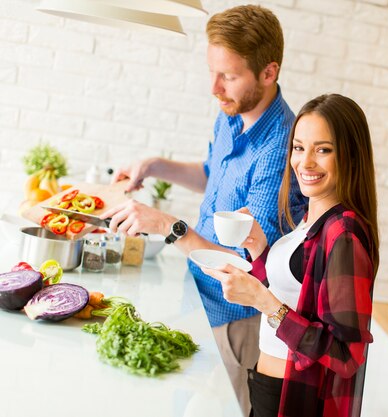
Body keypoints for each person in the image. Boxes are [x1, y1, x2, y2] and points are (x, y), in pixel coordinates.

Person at [101, 5, 306, 415]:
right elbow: (214, 176)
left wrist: (168, 226)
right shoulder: (233, 112)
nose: (215, 87)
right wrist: (156, 166)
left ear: (268, 73)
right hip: (197, 296)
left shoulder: (280, 147)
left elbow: (246, 267)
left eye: (228, 76)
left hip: (237, 320)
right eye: (212, 71)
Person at [204, 94, 379, 417]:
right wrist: (258, 249)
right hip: (266, 384)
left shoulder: (345, 234)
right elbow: (295, 298)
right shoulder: (312, 220)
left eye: (323, 150)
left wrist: (263, 302)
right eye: (299, 148)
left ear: (350, 156)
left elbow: (345, 355)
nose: (305, 162)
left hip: (293, 399)